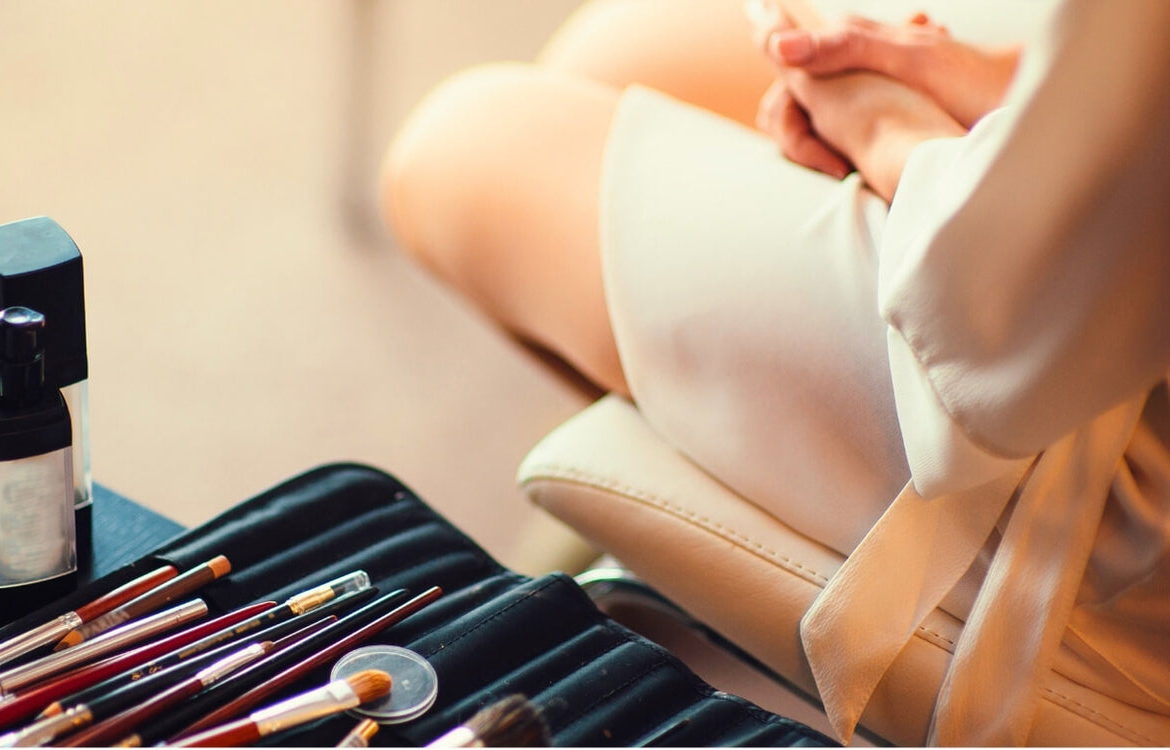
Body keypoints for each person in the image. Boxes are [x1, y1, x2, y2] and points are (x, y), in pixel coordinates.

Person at [379, 0, 1170, 744]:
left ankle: (716, 446)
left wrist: (894, 134)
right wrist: (1027, 89)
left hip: (1064, 408)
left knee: (458, 151)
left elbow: (995, 324)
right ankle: (699, 415)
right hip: (1090, 245)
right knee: (622, 49)